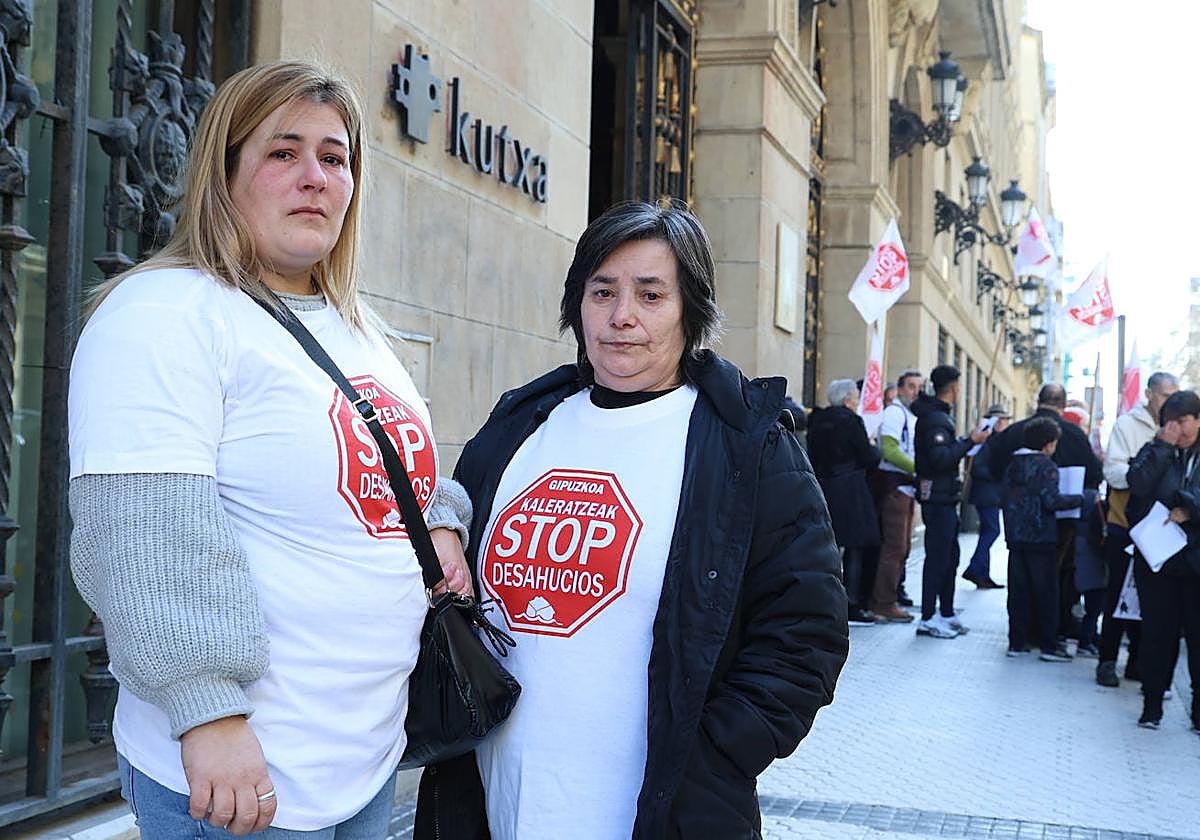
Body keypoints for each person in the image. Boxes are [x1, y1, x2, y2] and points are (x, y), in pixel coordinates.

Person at [68, 62, 473, 838]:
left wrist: (443, 518)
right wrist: (206, 712)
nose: (314, 177)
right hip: (240, 778)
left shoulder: (358, 330)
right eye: (283, 153)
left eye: (335, 156)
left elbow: (389, 476)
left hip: (362, 761)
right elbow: (141, 536)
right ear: (224, 175)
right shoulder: (164, 313)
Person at [414, 201, 849, 839]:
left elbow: (805, 632)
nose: (622, 317)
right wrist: (446, 522)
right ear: (577, 304)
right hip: (493, 797)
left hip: (658, 812)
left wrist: (714, 756)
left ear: (688, 311)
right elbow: (453, 508)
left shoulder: (743, 447)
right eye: (603, 291)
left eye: (651, 295)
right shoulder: (524, 421)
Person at [988, 383, 1102, 642]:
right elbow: (1094, 475)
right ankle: (1053, 631)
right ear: (1062, 406)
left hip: (1017, 526)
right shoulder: (1073, 436)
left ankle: (1021, 634)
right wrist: (1079, 499)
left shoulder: (1015, 434)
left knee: (1020, 581)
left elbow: (993, 466)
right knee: (1056, 578)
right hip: (1058, 522)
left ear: (1037, 402)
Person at [1096, 371, 1179, 687]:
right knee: (1117, 594)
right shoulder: (1128, 425)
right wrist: (1142, 470)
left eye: (1174, 396)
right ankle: (1107, 660)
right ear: (1149, 394)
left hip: (1161, 529)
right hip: (1125, 523)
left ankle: (1137, 662)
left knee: (1151, 601)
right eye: (1164, 395)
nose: (1168, 402)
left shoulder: (1179, 427)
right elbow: (1113, 471)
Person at [1126, 390, 1200, 731]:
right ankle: (1152, 703)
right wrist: (1162, 448)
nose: (1178, 430)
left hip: (1195, 560)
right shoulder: (1156, 450)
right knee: (1157, 635)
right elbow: (1138, 485)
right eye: (1170, 423)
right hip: (1158, 561)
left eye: (1183, 422)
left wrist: (1190, 508)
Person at [912, 365, 991, 639]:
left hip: (945, 497)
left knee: (950, 555)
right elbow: (940, 459)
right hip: (937, 497)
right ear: (954, 387)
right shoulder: (935, 419)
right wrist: (969, 441)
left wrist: (966, 441)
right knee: (937, 557)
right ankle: (928, 617)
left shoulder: (939, 417)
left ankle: (945, 612)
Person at [1001, 418, 1084, 661]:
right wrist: (1081, 499)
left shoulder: (1012, 464)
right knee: (1046, 592)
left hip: (1016, 538)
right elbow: (1052, 501)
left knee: (1018, 592)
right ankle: (1049, 645)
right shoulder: (1046, 466)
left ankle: (1016, 642)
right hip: (1041, 537)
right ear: (1048, 445)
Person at [808, 380, 885, 624]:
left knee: (827, 545)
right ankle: (852, 602)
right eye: (855, 397)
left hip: (823, 485)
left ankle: (821, 601)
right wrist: (874, 448)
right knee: (858, 544)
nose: (857, 400)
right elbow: (868, 456)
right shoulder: (851, 421)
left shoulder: (817, 421)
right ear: (847, 399)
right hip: (851, 488)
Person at [869, 370, 923, 620]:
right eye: (911, 386)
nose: (916, 391)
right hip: (895, 488)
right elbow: (889, 450)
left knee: (902, 548)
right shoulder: (894, 412)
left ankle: (890, 597)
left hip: (907, 488)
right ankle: (883, 602)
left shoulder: (910, 415)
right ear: (900, 388)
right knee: (895, 547)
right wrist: (920, 469)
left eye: (919, 387)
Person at [963, 404, 1012, 589]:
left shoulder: (996, 440)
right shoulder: (984, 439)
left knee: (988, 531)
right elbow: (977, 468)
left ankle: (983, 574)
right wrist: (998, 473)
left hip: (992, 493)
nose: (1003, 423)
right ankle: (975, 568)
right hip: (986, 493)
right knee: (992, 531)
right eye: (1000, 420)